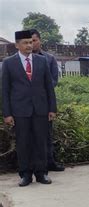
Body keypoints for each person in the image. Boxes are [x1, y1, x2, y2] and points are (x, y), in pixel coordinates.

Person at [2, 30, 56, 186]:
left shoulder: (42, 61)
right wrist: (7, 113)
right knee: (23, 142)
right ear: (17, 45)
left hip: (40, 108)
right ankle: (25, 174)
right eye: (25, 43)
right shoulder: (8, 63)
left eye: (31, 42)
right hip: (20, 110)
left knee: (41, 141)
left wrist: (52, 108)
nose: (29, 45)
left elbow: (48, 87)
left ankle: (41, 173)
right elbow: (4, 90)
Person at [30, 29, 64, 173]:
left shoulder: (49, 59)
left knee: (47, 134)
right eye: (29, 41)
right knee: (28, 135)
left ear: (40, 41)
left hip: (44, 102)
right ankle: (31, 166)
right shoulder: (21, 59)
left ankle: (49, 162)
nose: (31, 44)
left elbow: (53, 81)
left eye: (34, 40)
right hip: (25, 104)